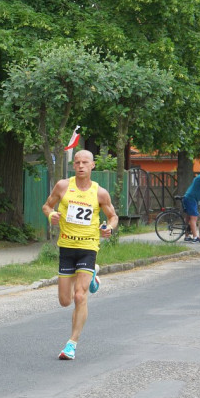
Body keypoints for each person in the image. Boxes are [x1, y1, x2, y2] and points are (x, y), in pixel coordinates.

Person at [42, 149, 119, 361]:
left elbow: (113, 217)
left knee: (79, 295)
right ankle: (93, 274)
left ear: (93, 165)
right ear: (73, 165)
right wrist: (52, 216)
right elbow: (47, 206)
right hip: (66, 247)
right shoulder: (63, 186)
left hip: (89, 247)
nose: (81, 166)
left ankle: (71, 344)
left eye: (85, 162)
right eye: (77, 162)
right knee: (65, 301)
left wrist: (109, 229)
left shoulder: (100, 193)